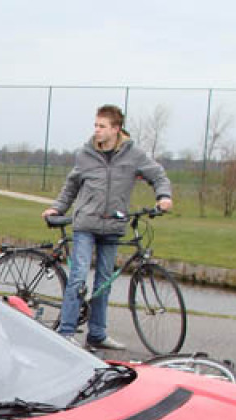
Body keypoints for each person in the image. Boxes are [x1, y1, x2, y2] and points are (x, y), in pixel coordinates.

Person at [43, 104, 172, 350]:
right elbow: (72, 185)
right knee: (79, 277)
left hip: (113, 224)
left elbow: (158, 175)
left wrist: (163, 196)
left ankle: (97, 334)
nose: (97, 131)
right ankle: (66, 332)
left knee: (104, 281)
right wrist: (57, 208)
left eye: (102, 126)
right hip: (86, 224)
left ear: (116, 129)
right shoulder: (85, 154)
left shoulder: (134, 155)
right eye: (95, 125)